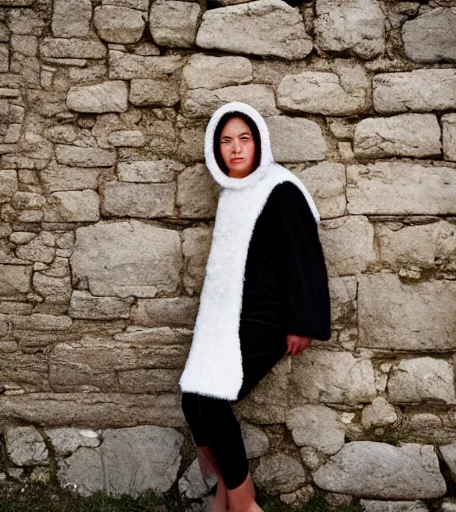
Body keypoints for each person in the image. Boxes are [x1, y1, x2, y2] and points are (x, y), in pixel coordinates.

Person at [179, 101, 331, 512]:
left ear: (259, 142)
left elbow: (305, 258)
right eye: (226, 141)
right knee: (193, 399)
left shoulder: (281, 189)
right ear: (216, 149)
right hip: (227, 318)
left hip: (269, 318)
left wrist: (303, 322)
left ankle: (244, 505)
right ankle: (226, 496)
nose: (236, 148)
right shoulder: (233, 192)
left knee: (211, 399)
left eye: (244, 139)